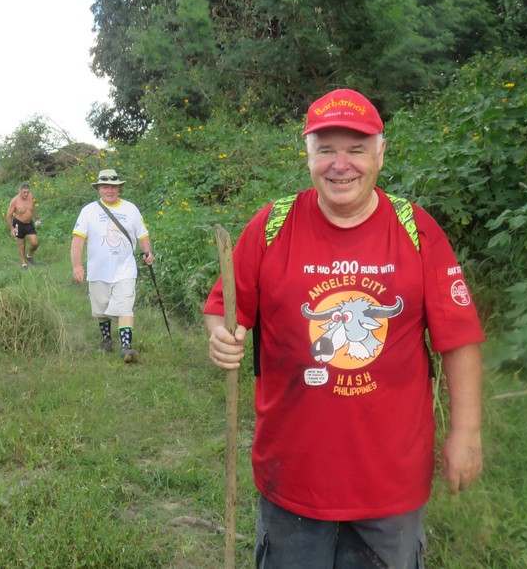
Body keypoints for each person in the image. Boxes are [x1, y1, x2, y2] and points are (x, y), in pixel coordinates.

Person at [203, 88, 485, 567]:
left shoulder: (416, 230)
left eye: (356, 149)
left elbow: (458, 339)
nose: (341, 165)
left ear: (380, 153)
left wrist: (467, 432)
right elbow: (223, 308)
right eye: (326, 149)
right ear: (308, 154)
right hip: (292, 474)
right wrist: (220, 335)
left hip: (391, 481)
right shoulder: (272, 226)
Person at [71, 168, 154, 362]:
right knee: (101, 310)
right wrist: (77, 265)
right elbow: (78, 240)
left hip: (125, 269)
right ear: (98, 188)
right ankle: (106, 339)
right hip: (97, 271)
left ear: (119, 188)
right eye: (105, 187)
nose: (110, 190)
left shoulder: (131, 209)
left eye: (114, 187)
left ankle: (126, 346)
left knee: (125, 308)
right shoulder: (88, 211)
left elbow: (143, 234)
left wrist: (148, 252)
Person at [5, 183, 42, 269]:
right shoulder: (15, 201)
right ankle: (23, 263)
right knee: (22, 244)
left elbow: (32, 208)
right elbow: (8, 216)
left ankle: (29, 256)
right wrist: (11, 228)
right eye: (24, 192)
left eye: (27, 192)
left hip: (29, 223)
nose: (26, 194)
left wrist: (37, 218)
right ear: (20, 191)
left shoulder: (30, 196)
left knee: (35, 243)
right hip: (18, 224)